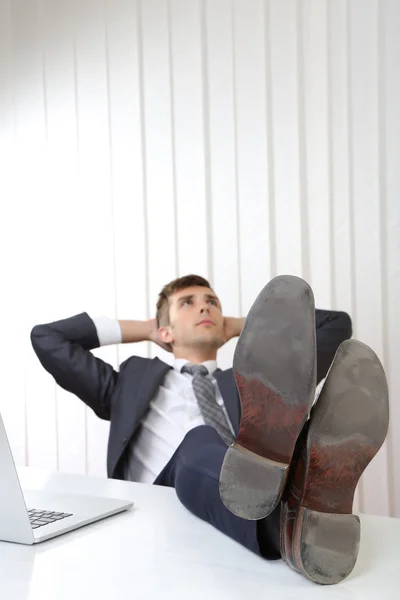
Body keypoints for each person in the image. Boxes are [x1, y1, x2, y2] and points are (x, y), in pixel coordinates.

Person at [30, 274, 389, 585]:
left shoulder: (254, 385)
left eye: (212, 303)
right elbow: (48, 339)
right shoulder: (127, 383)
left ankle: (297, 493)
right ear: (165, 330)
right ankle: (292, 520)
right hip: (160, 502)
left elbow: (336, 324)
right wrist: (147, 329)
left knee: (259, 419)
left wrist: (243, 327)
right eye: (188, 303)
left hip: (247, 497)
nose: (205, 308)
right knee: (197, 440)